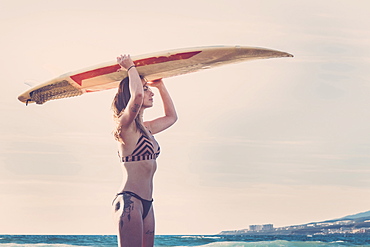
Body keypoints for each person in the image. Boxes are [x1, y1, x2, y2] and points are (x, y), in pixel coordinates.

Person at [111, 54, 177, 247]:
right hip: (130, 201)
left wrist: (161, 86)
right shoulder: (124, 127)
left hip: (147, 203)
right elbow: (137, 96)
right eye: (146, 89)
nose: (150, 93)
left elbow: (171, 117)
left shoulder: (146, 128)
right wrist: (130, 67)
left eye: (148, 89)